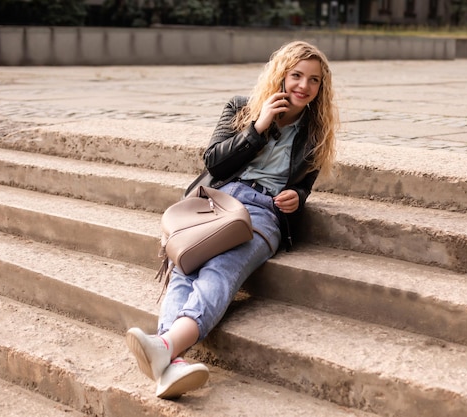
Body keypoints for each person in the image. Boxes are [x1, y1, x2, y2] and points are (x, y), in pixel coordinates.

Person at [125, 40, 339, 400]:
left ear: (321, 88)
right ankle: (171, 361)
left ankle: (164, 346)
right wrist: (258, 127)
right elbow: (215, 163)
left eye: (314, 80)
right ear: (281, 76)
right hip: (214, 202)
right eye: (297, 76)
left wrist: (296, 198)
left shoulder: (315, 134)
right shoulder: (241, 108)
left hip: (262, 212)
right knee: (185, 266)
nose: (304, 86)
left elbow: (303, 187)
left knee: (220, 269)